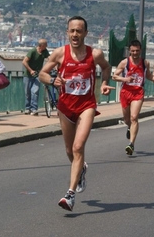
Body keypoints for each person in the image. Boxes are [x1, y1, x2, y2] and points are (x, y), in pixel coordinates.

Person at [38, 16, 114, 211]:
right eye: (72, 31)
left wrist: (104, 83)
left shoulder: (94, 54)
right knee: (69, 150)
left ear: (85, 33)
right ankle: (81, 170)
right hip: (65, 107)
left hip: (86, 105)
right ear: (67, 32)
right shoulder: (59, 53)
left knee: (78, 146)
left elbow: (106, 67)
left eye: (79, 31)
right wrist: (51, 80)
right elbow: (42, 73)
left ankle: (70, 195)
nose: (75, 34)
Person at [112, 39, 152, 156]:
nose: (135, 53)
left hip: (138, 92)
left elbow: (148, 75)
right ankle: (129, 127)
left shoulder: (145, 63)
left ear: (141, 51)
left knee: (134, 117)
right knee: (127, 119)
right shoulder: (125, 63)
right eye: (133, 51)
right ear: (129, 51)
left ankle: (131, 144)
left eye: (137, 51)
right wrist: (125, 79)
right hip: (125, 92)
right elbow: (114, 76)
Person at [22, 39, 49, 116]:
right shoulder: (32, 51)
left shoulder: (45, 51)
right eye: (45, 44)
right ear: (41, 45)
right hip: (28, 74)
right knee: (27, 92)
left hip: (38, 74)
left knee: (35, 91)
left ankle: (34, 109)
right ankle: (27, 108)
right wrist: (30, 70)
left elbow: (50, 59)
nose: (47, 46)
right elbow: (24, 61)